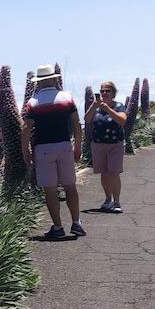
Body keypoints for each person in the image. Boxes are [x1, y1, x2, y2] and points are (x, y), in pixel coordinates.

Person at [22, 64, 85, 240]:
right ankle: (76, 222)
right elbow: (76, 124)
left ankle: (58, 227)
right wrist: (78, 146)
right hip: (64, 145)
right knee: (70, 186)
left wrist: (25, 150)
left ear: (40, 82)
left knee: (50, 190)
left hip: (43, 149)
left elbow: (26, 128)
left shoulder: (33, 102)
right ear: (54, 79)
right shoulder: (67, 98)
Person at [86, 81, 127, 212]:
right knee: (104, 173)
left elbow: (122, 120)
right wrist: (94, 106)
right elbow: (87, 119)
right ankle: (107, 199)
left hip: (115, 144)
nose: (104, 93)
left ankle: (116, 202)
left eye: (107, 91)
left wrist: (108, 110)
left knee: (113, 172)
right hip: (98, 144)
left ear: (113, 93)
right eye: (102, 91)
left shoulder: (118, 106)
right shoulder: (96, 107)